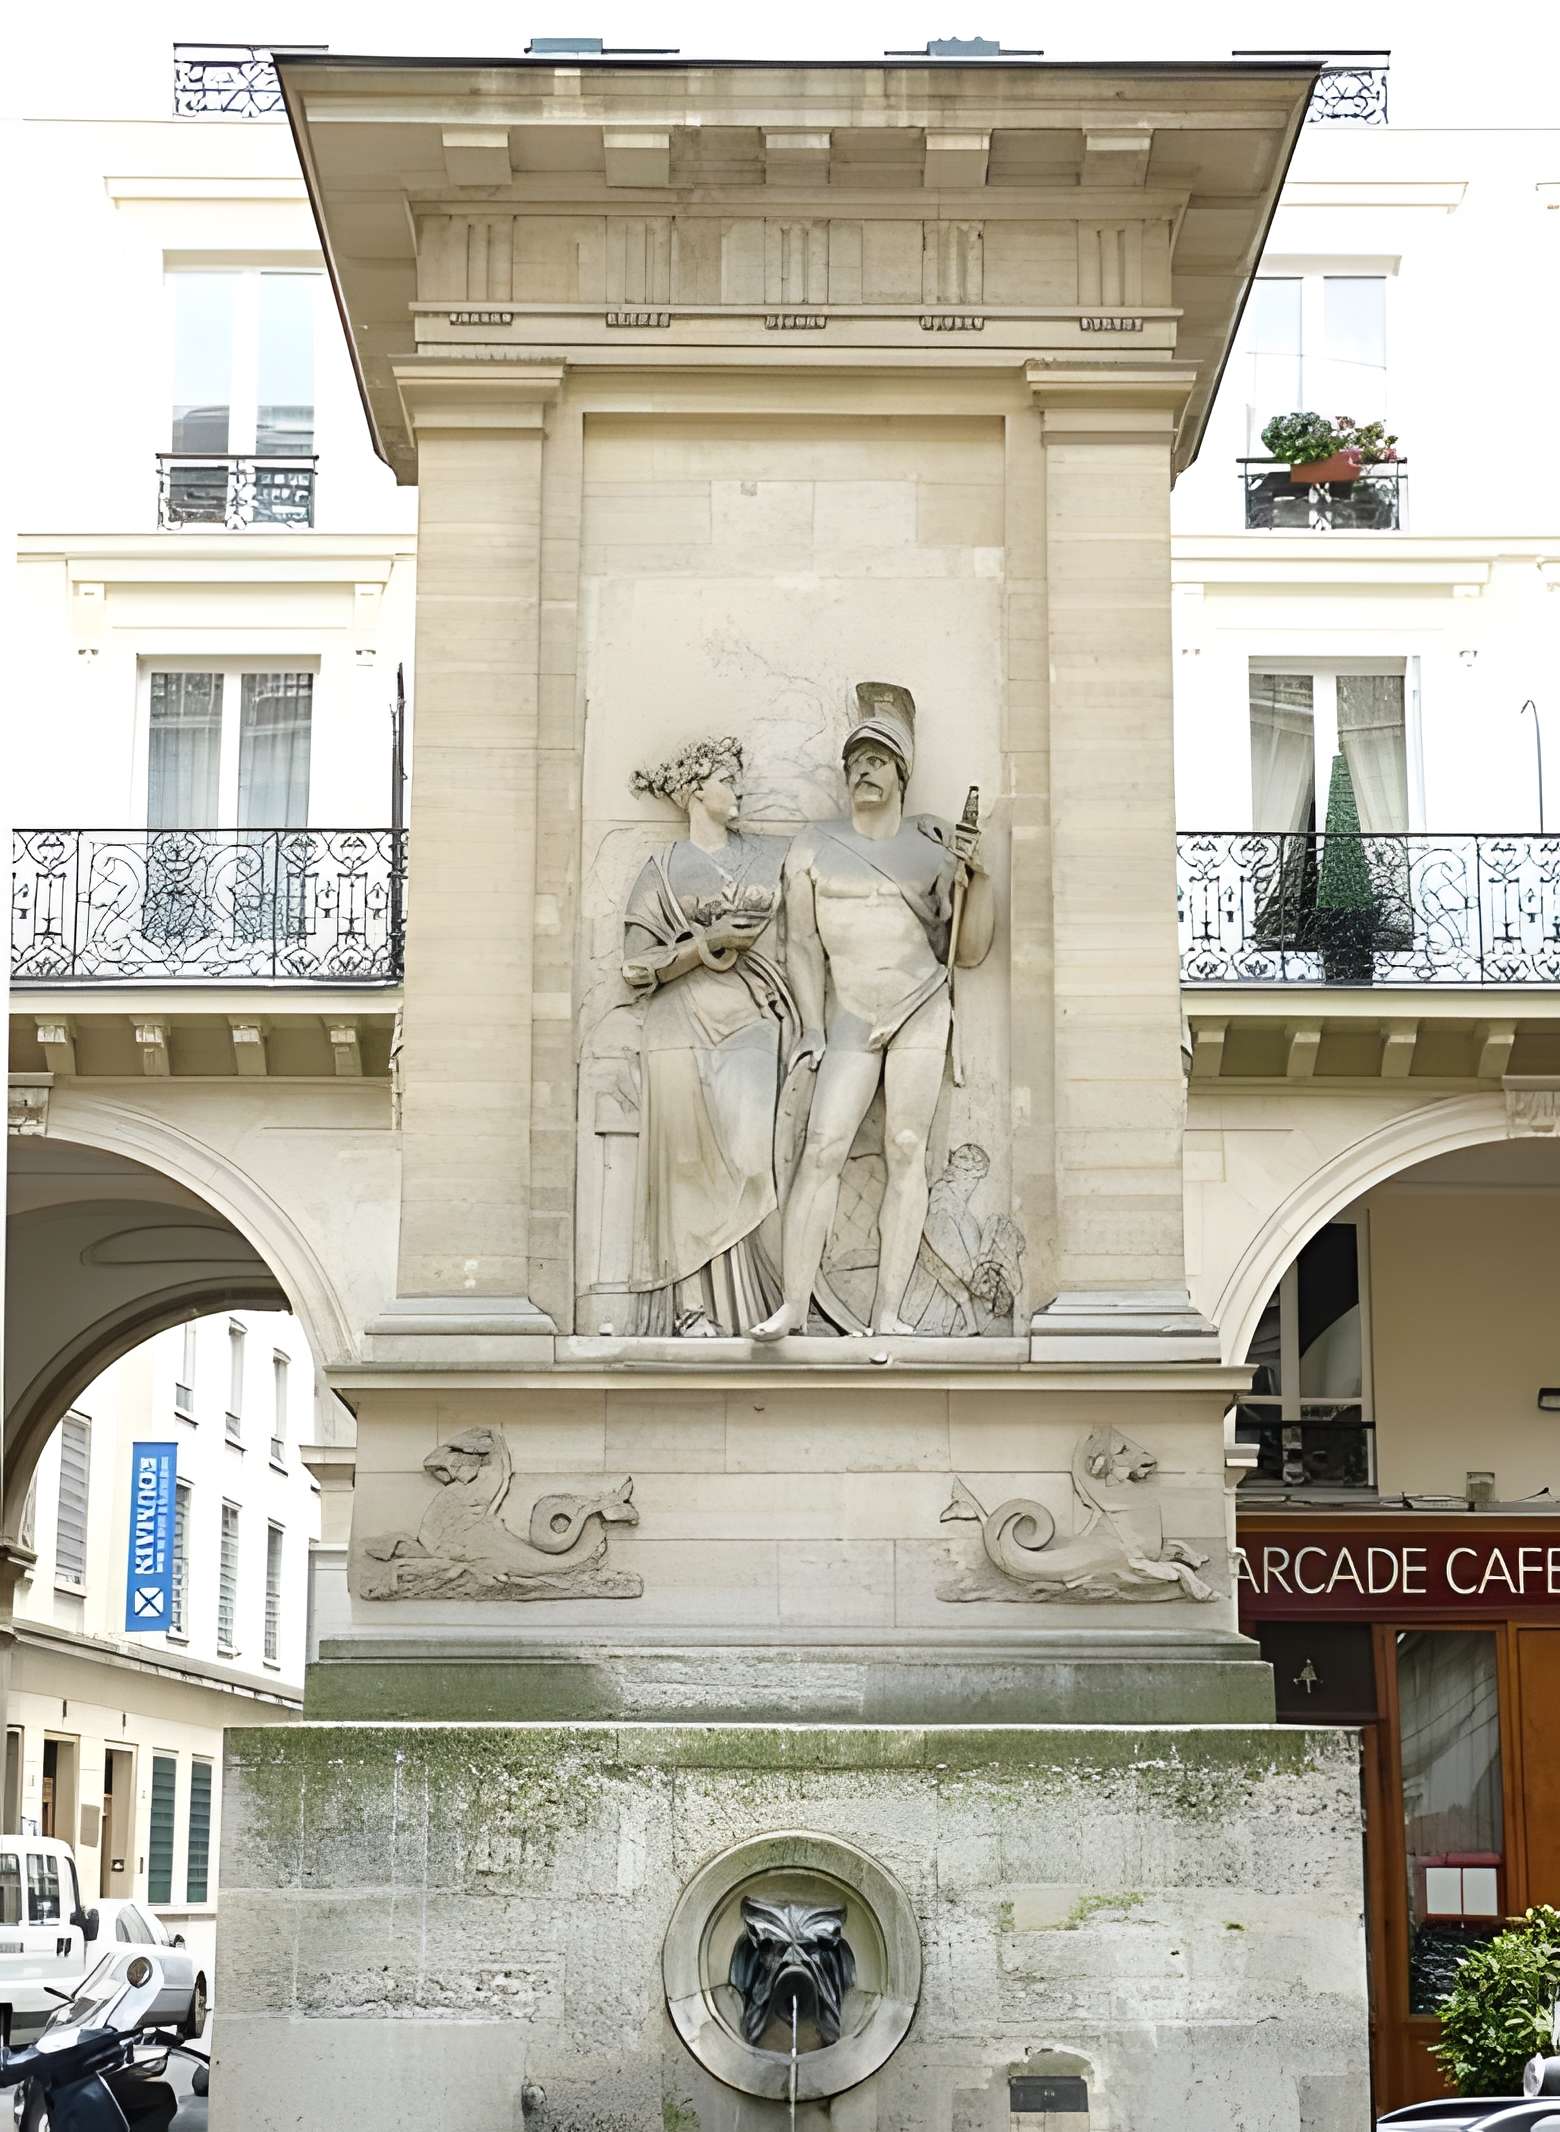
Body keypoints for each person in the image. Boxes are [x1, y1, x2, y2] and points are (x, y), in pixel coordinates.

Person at [749, 684, 995, 1340]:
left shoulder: (933, 848)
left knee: (906, 1147)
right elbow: (800, 944)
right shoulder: (814, 845)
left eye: (878, 760)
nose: (864, 769)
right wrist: (807, 1026)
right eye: (856, 759)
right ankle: (796, 1305)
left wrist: (976, 877)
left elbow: (967, 949)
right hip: (850, 1014)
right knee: (824, 1147)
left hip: (918, 1006)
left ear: (901, 773)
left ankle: (888, 1312)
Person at [621, 736, 797, 1335]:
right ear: (698, 788)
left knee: (753, 1159)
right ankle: (695, 1308)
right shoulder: (663, 871)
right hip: (677, 1021)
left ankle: (757, 1299)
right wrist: (706, 944)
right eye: (729, 777)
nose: (740, 788)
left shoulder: (772, 855)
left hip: (751, 1014)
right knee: (686, 1164)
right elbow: (636, 965)